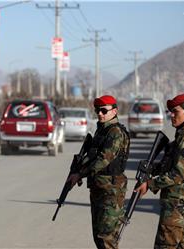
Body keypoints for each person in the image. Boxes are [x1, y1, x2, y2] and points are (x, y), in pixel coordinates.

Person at [135, 93, 184, 249]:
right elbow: (172, 166)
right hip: (181, 202)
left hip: (176, 203)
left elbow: (178, 174)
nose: (172, 115)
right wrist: (152, 168)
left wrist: (150, 184)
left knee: (164, 245)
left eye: (176, 111)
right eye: (170, 112)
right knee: (183, 245)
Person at [67, 95, 130, 249]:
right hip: (98, 190)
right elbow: (91, 158)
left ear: (114, 111)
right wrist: (79, 169)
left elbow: (103, 160)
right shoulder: (101, 131)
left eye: (104, 110)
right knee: (98, 237)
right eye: (97, 110)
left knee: (107, 240)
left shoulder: (115, 132)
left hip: (111, 193)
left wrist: (80, 174)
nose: (100, 113)